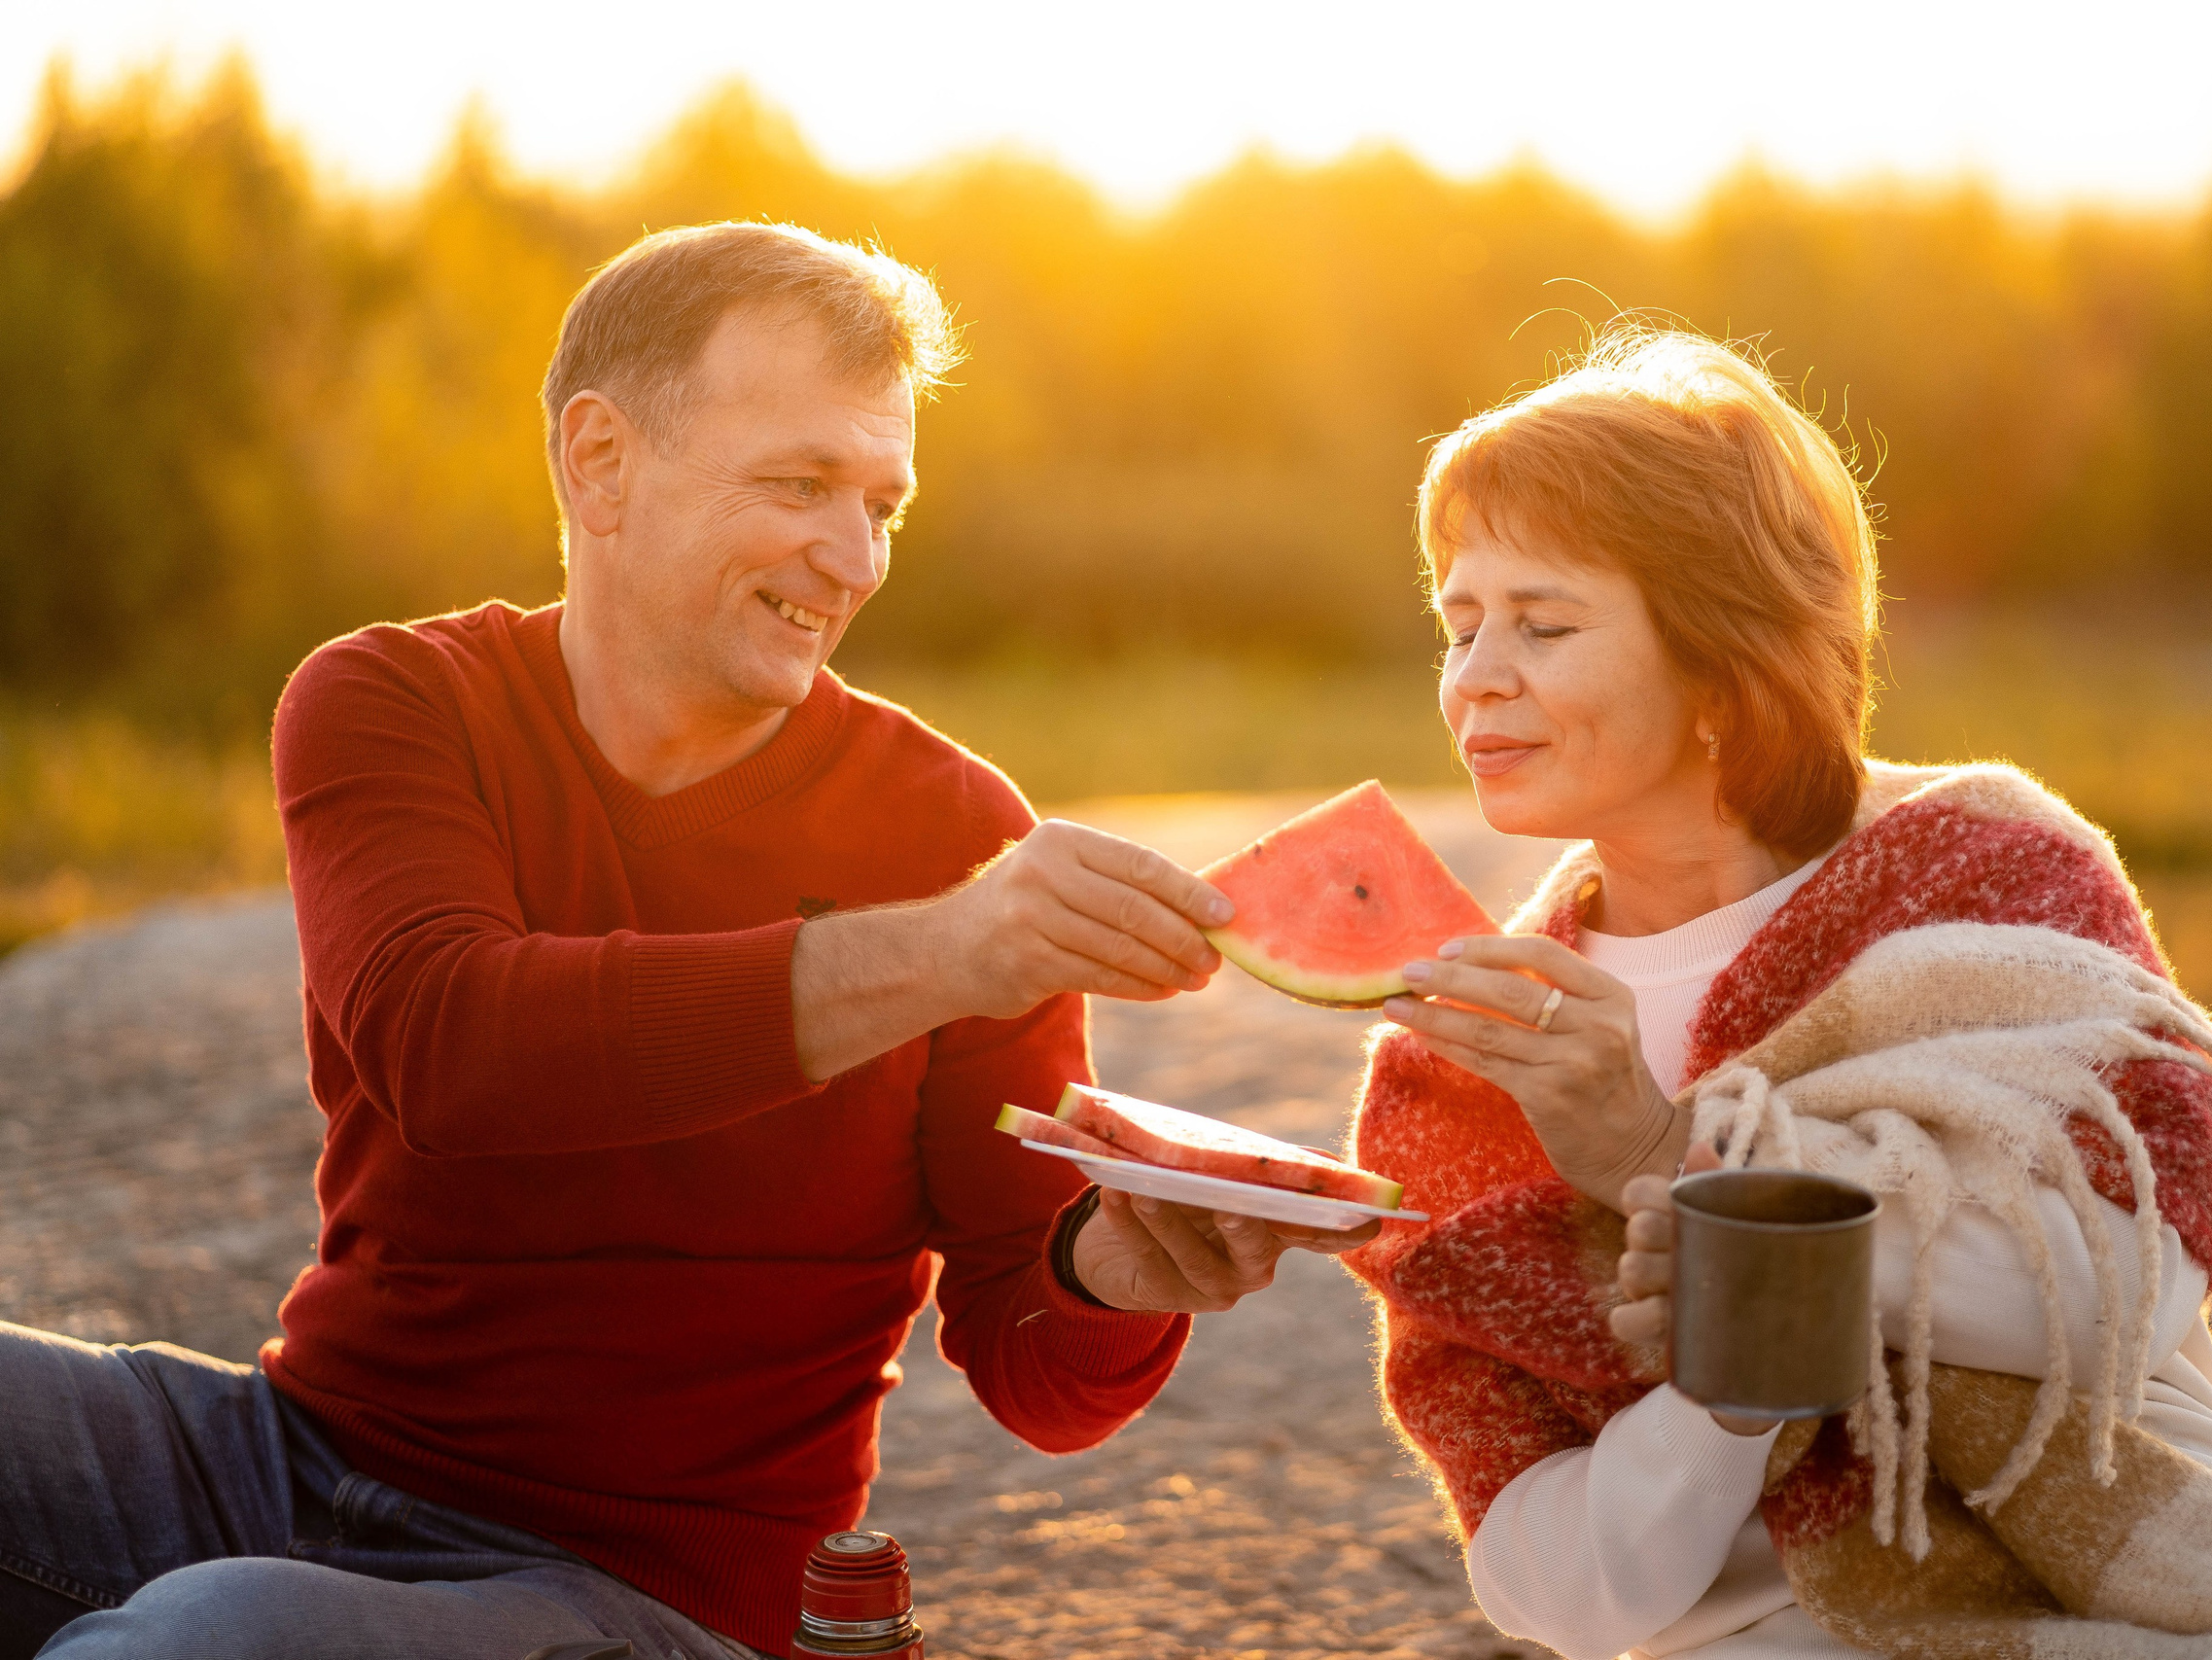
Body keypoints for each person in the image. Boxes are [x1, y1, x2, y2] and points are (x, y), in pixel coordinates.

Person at [0, 222, 1374, 1660]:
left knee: (201, 1642)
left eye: (883, 502)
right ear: (599, 462)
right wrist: (946, 952)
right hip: (283, 1454)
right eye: (799, 483)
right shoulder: (394, 701)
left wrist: (1115, 1277)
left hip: (650, 1594)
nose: (854, 558)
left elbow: (1036, 1367)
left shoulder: (950, 826)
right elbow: (454, 1046)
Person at [1337, 329, 2212, 1657]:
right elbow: (1553, 1589)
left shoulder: (1986, 873)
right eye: (1458, 625)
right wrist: (1731, 1387)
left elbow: (2118, 1293)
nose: (1476, 676)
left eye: (1543, 623)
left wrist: (1665, 1158)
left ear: (1722, 662)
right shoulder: (1459, 1067)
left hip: (2139, 1604)